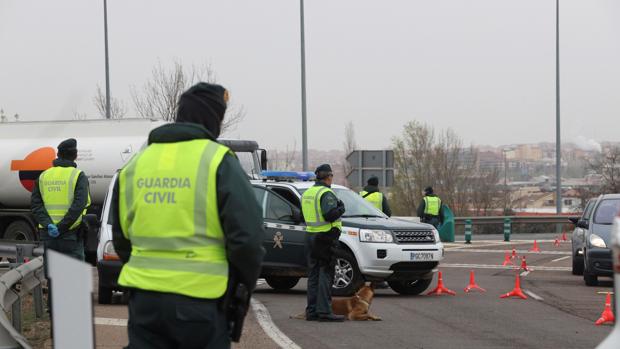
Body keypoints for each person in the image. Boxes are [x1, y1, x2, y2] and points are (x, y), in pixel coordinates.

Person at [110, 82, 265, 349]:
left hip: (144, 301)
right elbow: (247, 238)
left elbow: (121, 237)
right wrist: (242, 286)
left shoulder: (136, 164)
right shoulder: (218, 160)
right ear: (213, 119)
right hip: (200, 301)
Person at [31, 138, 91, 260]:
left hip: (48, 235)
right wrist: (61, 227)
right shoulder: (78, 175)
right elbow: (79, 205)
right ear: (75, 155)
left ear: (58, 155)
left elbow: (36, 205)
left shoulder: (43, 176)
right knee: (73, 274)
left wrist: (49, 225)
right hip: (70, 235)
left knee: (53, 275)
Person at [302, 164, 346, 322]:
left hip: (310, 236)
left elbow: (303, 215)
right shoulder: (326, 193)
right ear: (328, 177)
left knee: (313, 275)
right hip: (325, 238)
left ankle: (312, 311)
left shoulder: (308, 193)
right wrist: (341, 208)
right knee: (325, 274)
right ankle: (325, 311)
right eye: (331, 176)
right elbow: (329, 215)